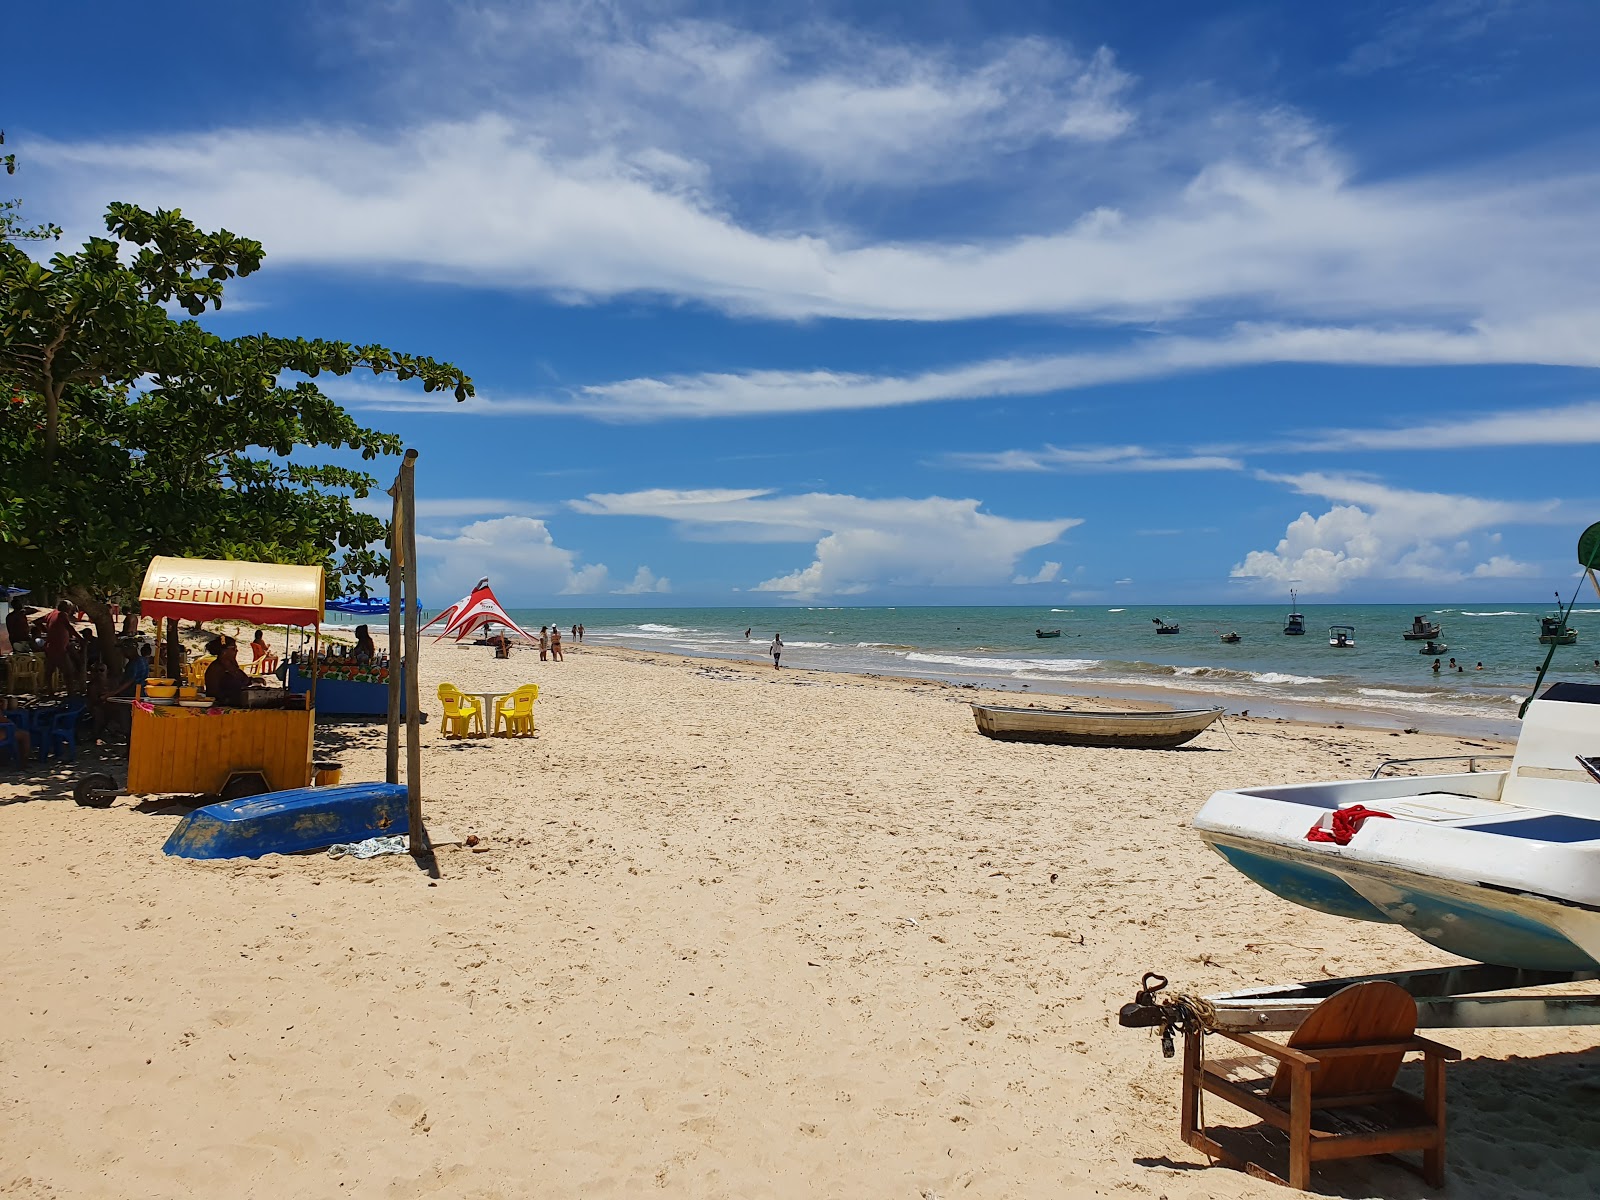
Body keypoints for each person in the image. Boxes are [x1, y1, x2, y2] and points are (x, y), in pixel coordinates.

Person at [42, 600, 81, 694]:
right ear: (67, 608)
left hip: (50, 647)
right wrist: (80, 639)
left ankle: (49, 691)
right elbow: (69, 628)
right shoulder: (62, 615)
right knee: (68, 671)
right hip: (58, 649)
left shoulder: (52, 613)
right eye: (70, 609)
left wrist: (48, 631)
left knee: (50, 671)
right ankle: (70, 693)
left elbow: (38, 621)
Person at [204, 637, 253, 706]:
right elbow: (214, 694)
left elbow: (245, 680)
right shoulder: (217, 668)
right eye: (234, 648)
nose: (237, 651)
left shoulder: (229, 665)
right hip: (221, 707)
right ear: (224, 652)